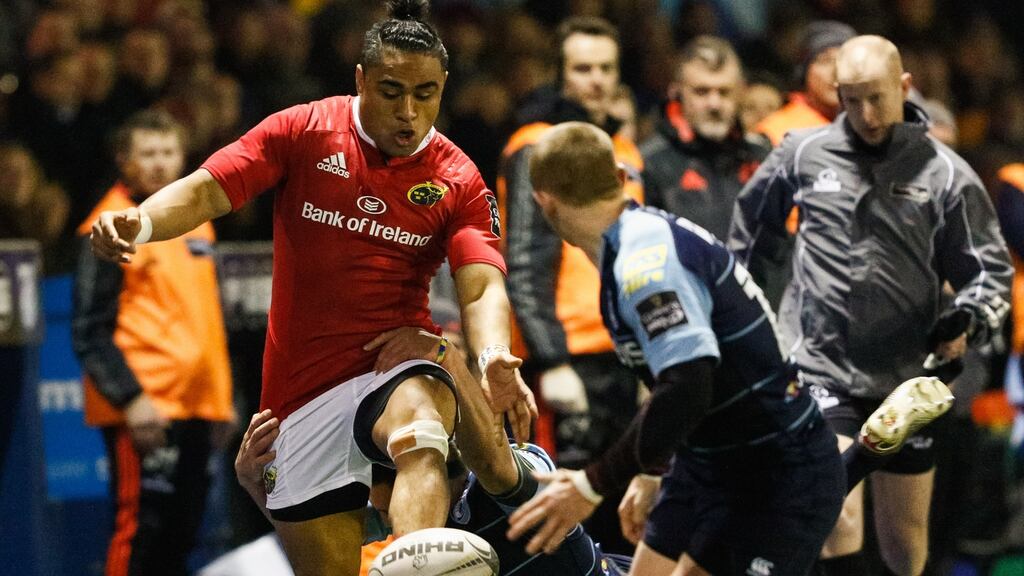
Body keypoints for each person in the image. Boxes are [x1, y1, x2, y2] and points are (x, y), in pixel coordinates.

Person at [87, 2, 534, 575]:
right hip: (298, 394)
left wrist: (494, 352)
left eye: (425, 94)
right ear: (360, 80)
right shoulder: (304, 130)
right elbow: (205, 190)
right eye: (392, 91)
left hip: (394, 357)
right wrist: (141, 222)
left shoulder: (460, 178)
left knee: (421, 432)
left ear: (443, 87)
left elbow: (480, 288)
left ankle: (419, 565)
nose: (409, 112)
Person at [503, 121, 956, 576]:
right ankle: (864, 451)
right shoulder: (637, 242)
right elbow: (676, 387)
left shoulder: (644, 264)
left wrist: (591, 483)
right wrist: (648, 468)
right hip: (721, 465)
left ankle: (862, 454)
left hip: (778, 479)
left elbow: (688, 385)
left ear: (545, 201)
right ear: (621, 178)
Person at [729, 36, 1013, 576]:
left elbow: (989, 272)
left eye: (876, 97)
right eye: (850, 99)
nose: (864, 113)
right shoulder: (801, 153)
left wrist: (968, 319)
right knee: (835, 515)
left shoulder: (945, 172)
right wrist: (744, 322)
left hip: (908, 382)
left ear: (904, 87)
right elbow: (746, 240)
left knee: (905, 544)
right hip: (820, 366)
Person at [236, 330, 632, 575]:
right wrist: (256, 486)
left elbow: (498, 467)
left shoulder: (526, 466)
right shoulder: (402, 516)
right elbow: (322, 541)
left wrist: (443, 355)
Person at [496, 15, 642, 553]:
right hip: (570, 359)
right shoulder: (540, 146)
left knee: (620, 505)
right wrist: (552, 360)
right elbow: (525, 260)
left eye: (606, 68)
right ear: (560, 76)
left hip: (623, 357)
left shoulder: (624, 151)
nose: (596, 80)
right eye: (583, 68)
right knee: (564, 513)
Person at [72, 109, 235, 576]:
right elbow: (88, 329)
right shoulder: (105, 226)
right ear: (125, 161)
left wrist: (221, 402)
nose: (160, 164)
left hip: (199, 407)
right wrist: (131, 399)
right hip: (148, 409)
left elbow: (203, 316)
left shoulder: (196, 221)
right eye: (148, 154)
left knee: (183, 535)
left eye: (168, 152)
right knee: (140, 531)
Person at [640, 35, 768, 257]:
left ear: (741, 92)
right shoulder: (649, 163)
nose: (714, 103)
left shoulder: (763, 156)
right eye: (702, 91)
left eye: (724, 92)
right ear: (677, 92)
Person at [755, 20, 856, 147]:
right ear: (804, 71)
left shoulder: (869, 126)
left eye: (846, 61)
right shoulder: (777, 133)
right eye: (825, 61)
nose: (837, 71)